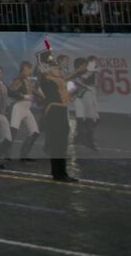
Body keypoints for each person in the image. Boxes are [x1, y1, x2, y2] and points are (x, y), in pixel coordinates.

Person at [36, 50, 79, 182]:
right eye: (55, 67)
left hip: (61, 111)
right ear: (48, 69)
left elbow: (67, 96)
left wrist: (73, 92)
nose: (58, 69)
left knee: (62, 143)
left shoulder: (59, 81)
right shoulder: (47, 80)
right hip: (54, 111)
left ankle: (60, 171)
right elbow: (42, 75)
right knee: (57, 144)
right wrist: (44, 59)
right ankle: (58, 173)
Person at [8, 61, 41, 162]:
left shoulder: (29, 80)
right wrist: (23, 96)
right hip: (18, 107)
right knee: (13, 132)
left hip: (27, 108)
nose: (29, 71)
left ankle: (24, 154)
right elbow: (10, 91)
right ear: (23, 69)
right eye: (28, 68)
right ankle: (6, 153)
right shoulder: (19, 79)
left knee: (35, 132)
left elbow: (36, 93)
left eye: (30, 69)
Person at [70, 55, 100, 151]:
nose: (95, 63)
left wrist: (92, 74)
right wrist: (88, 75)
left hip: (88, 95)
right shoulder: (79, 72)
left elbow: (95, 83)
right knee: (81, 116)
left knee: (91, 117)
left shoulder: (94, 72)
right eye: (93, 62)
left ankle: (84, 138)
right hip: (79, 95)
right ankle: (84, 138)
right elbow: (79, 80)